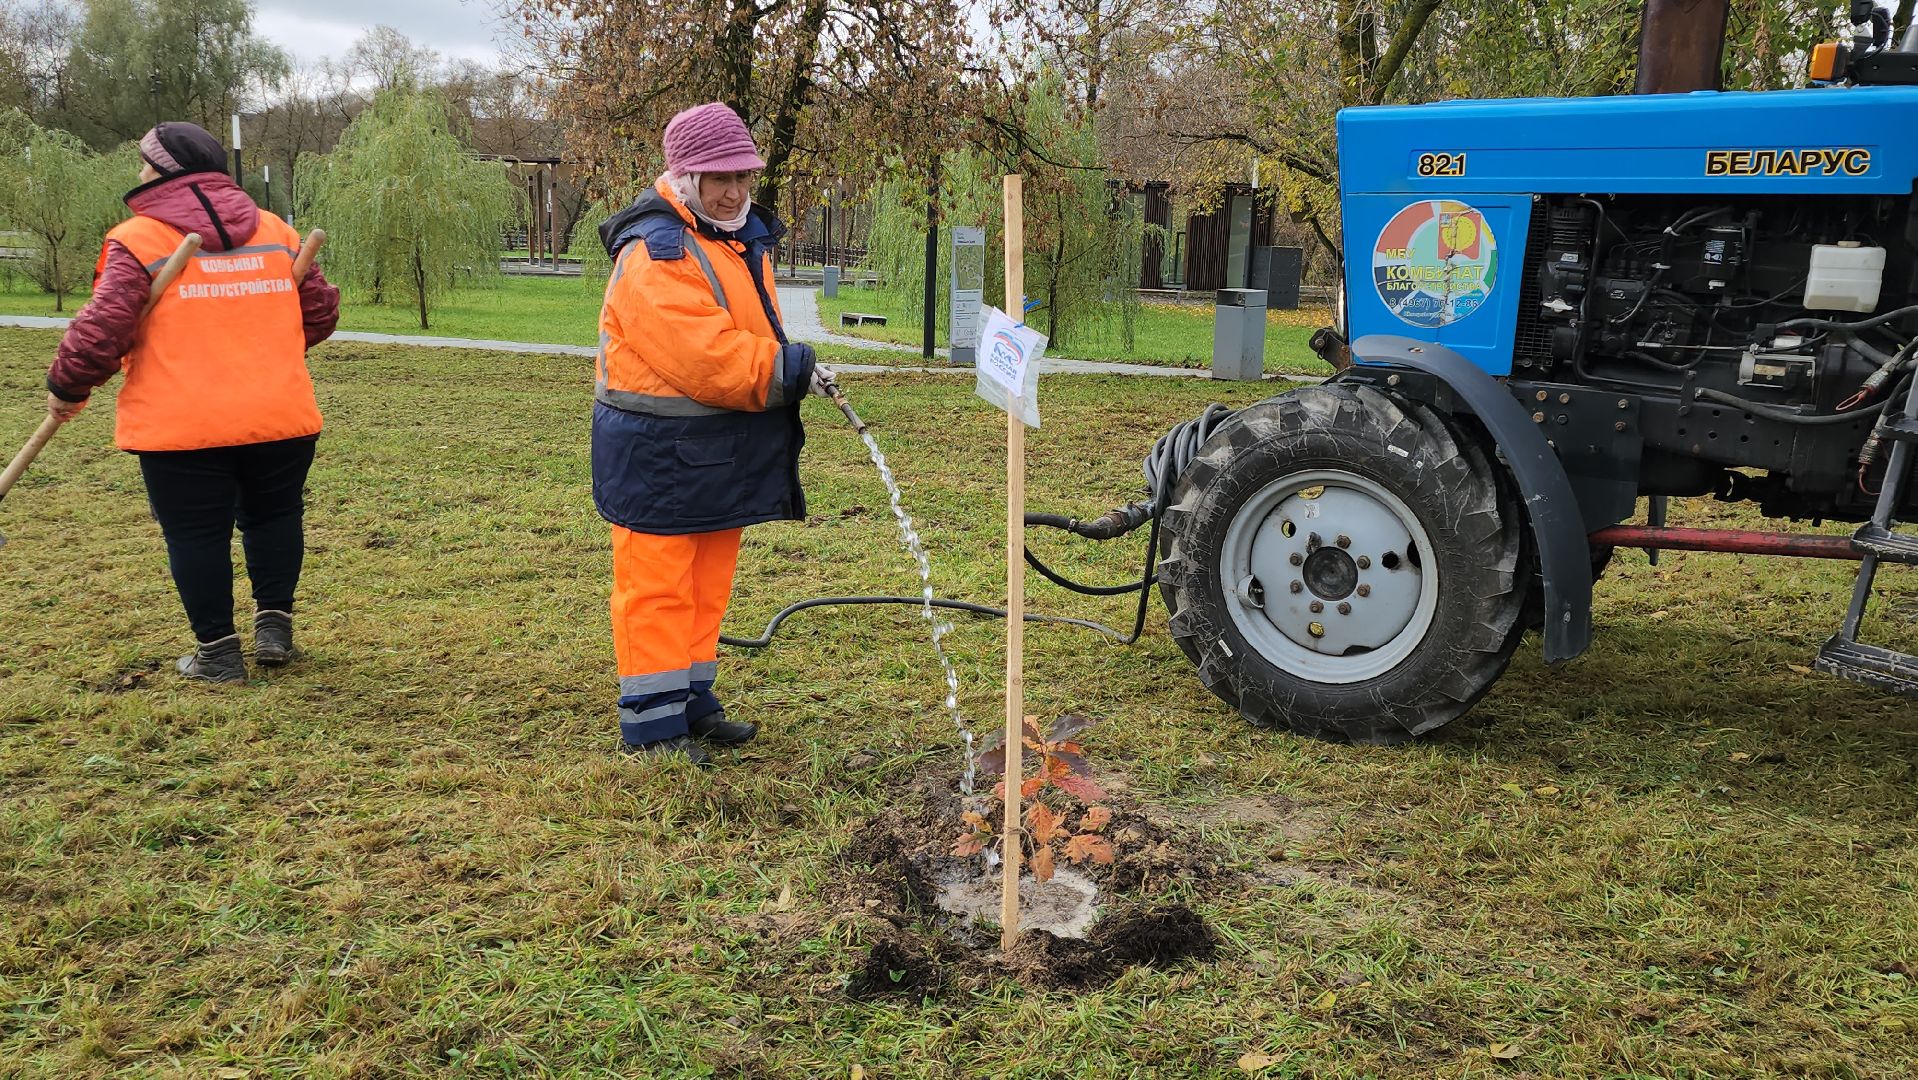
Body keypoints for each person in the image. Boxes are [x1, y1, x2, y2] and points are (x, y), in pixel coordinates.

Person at [44, 121, 340, 683]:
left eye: (144, 164)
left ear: (164, 172)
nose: (137, 173)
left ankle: (218, 654)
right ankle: (275, 626)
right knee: (275, 516)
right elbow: (320, 315)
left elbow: (103, 326)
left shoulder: (138, 239)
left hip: (181, 424)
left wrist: (67, 388)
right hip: (279, 413)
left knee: (196, 535)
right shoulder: (276, 230)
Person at [593, 102, 835, 764]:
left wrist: (785, 366)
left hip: (712, 450)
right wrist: (789, 369)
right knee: (657, 590)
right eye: (717, 177)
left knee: (706, 585)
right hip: (657, 455)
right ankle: (652, 728)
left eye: (744, 177)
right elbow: (705, 359)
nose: (734, 191)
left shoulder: (733, 238)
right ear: (684, 176)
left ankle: (693, 701)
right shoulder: (657, 253)